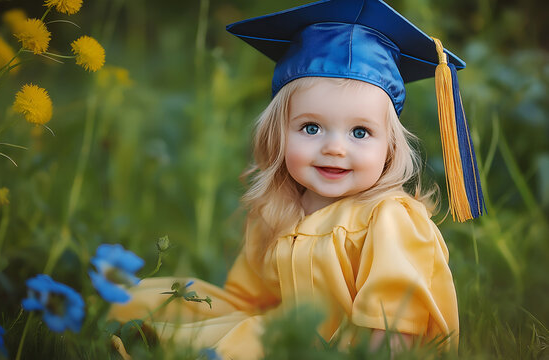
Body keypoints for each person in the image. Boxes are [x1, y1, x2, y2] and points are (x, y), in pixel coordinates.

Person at [109, 0, 486, 358]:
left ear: (389, 148)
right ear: (278, 134)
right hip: (283, 331)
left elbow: (395, 324)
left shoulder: (389, 219)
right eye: (311, 128)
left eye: (359, 132)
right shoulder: (277, 210)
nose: (335, 149)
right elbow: (248, 299)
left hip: (344, 348)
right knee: (153, 303)